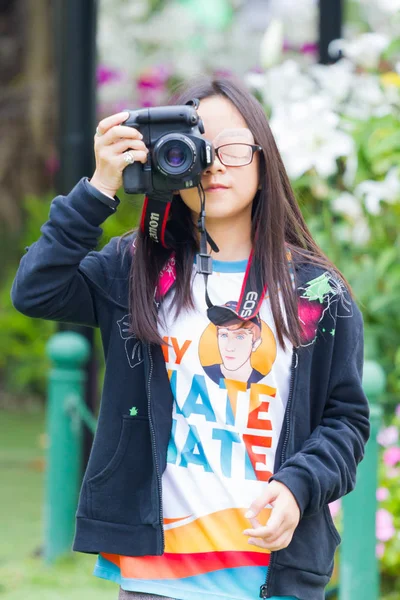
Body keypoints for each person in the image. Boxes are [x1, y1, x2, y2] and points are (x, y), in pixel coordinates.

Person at [11, 76, 370, 600]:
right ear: (167, 161)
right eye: (201, 147)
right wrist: (99, 187)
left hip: (273, 572)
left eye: (236, 147)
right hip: (155, 573)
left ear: (265, 158)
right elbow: (36, 290)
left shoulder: (317, 292)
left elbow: (346, 420)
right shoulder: (135, 270)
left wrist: (298, 489)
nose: (217, 164)